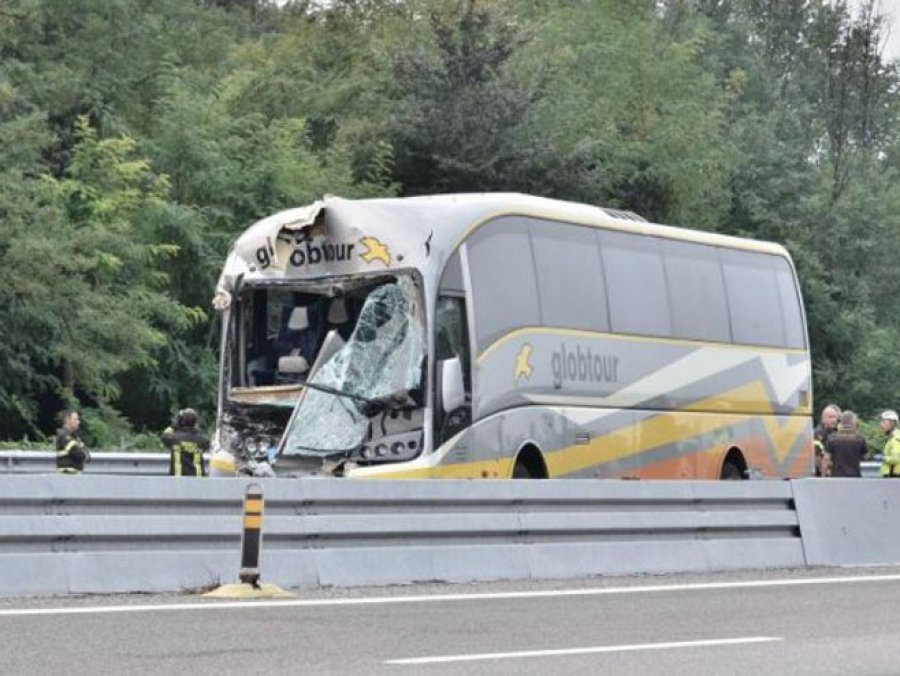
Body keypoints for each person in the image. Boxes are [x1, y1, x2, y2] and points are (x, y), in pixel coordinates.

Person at [162, 408, 209, 477]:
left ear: (181, 422)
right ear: (195, 422)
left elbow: (164, 435)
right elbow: (206, 444)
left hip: (177, 480)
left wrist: (174, 426)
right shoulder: (202, 440)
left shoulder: (173, 438)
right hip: (197, 480)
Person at [824, 410, 868, 478]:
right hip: (854, 476)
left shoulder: (832, 438)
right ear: (853, 422)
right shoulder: (860, 438)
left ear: (841, 422)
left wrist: (823, 475)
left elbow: (826, 459)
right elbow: (866, 456)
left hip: (836, 476)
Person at [55, 409, 91, 474]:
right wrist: (84, 455)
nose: (78, 422)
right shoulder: (64, 436)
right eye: (75, 419)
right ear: (67, 420)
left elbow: (87, 454)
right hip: (66, 475)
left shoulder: (76, 438)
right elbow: (78, 454)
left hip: (75, 475)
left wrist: (85, 454)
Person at [813, 403, 841, 477]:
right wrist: (824, 471)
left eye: (835, 417)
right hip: (823, 473)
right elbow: (817, 456)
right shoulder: (818, 433)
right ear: (823, 418)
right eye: (831, 417)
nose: (834, 420)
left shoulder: (836, 431)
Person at [878, 409, 900, 478]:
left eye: (884, 422)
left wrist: (882, 458)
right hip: (891, 476)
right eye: (881, 422)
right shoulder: (891, 437)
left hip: (894, 476)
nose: (881, 425)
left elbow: (896, 459)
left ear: (892, 423)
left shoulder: (896, 438)